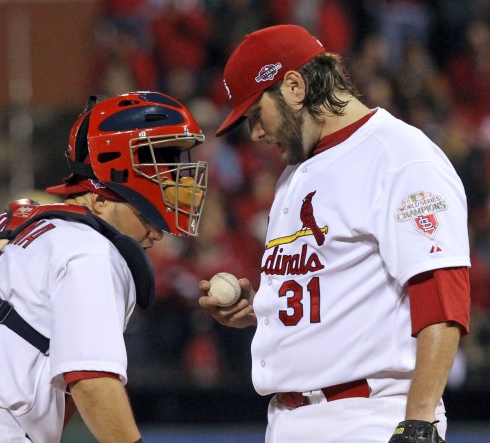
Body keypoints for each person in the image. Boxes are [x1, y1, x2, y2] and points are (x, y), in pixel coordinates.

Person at [0, 91, 208, 443]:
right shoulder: (93, 251)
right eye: (146, 217)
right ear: (97, 197)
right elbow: (92, 380)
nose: (157, 232)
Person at [198, 24, 470, 443]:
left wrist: (419, 422)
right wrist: (266, 308)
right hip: (288, 420)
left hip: (369, 418)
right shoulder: (297, 171)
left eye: (256, 114)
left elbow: (442, 296)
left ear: (293, 86)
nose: (254, 132)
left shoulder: (400, 157)